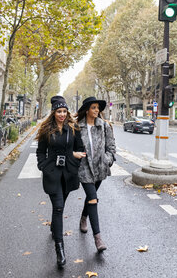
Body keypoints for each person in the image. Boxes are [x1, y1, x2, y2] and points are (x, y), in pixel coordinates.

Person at [36, 96, 86, 268]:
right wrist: (43, 166)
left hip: (68, 173)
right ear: (54, 112)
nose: (62, 114)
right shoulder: (46, 130)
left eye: (64, 111)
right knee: (58, 207)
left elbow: (80, 150)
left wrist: (74, 161)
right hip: (52, 173)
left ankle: (53, 228)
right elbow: (41, 152)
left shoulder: (73, 128)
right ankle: (60, 249)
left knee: (60, 206)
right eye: (59, 111)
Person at [75, 96, 116, 252]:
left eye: (98, 108)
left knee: (90, 198)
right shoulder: (78, 127)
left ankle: (84, 217)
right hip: (84, 168)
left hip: (100, 168)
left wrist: (107, 159)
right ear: (87, 110)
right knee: (93, 198)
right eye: (93, 107)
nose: (97, 110)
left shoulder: (104, 126)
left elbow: (111, 146)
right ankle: (98, 239)